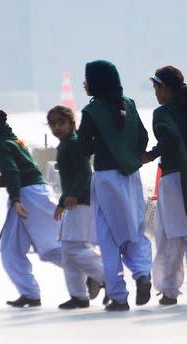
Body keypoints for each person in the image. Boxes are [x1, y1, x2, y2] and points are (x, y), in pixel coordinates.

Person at [77, 60, 152, 311]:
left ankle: (119, 296)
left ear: (96, 82)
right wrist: (130, 156)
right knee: (134, 229)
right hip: (131, 177)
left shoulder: (92, 111)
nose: (84, 83)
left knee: (108, 237)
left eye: (87, 79)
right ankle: (143, 273)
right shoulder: (128, 104)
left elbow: (83, 147)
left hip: (106, 179)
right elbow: (143, 137)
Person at [0, 106, 62, 308]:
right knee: (12, 250)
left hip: (28, 197)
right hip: (30, 193)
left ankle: (95, 273)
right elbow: (21, 172)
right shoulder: (10, 140)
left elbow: (13, 173)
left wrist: (15, 199)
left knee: (50, 247)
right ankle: (30, 293)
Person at [143, 66, 187, 305]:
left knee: (170, 237)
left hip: (175, 179)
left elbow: (170, 138)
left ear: (165, 88)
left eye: (156, 87)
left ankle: (170, 291)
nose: (155, 92)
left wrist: (151, 155)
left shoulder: (163, 112)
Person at [47, 105, 105, 310]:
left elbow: (84, 172)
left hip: (81, 201)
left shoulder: (73, 144)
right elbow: (70, 178)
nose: (57, 128)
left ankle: (105, 276)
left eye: (61, 123)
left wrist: (72, 195)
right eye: (52, 124)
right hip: (73, 201)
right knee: (68, 250)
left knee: (74, 247)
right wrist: (63, 201)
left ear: (72, 123)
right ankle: (79, 296)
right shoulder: (65, 144)